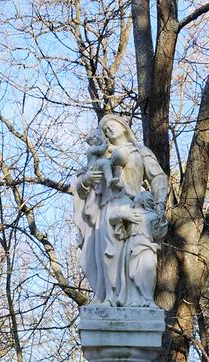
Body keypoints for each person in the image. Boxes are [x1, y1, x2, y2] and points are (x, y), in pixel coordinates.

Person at [72, 115, 168, 306]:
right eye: (105, 129)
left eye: (112, 125)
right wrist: (87, 180)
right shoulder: (100, 156)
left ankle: (135, 299)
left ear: (124, 127)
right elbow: (81, 186)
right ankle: (109, 298)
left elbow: (158, 177)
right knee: (109, 254)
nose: (109, 130)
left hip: (134, 210)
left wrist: (160, 204)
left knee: (138, 255)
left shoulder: (140, 151)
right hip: (107, 211)